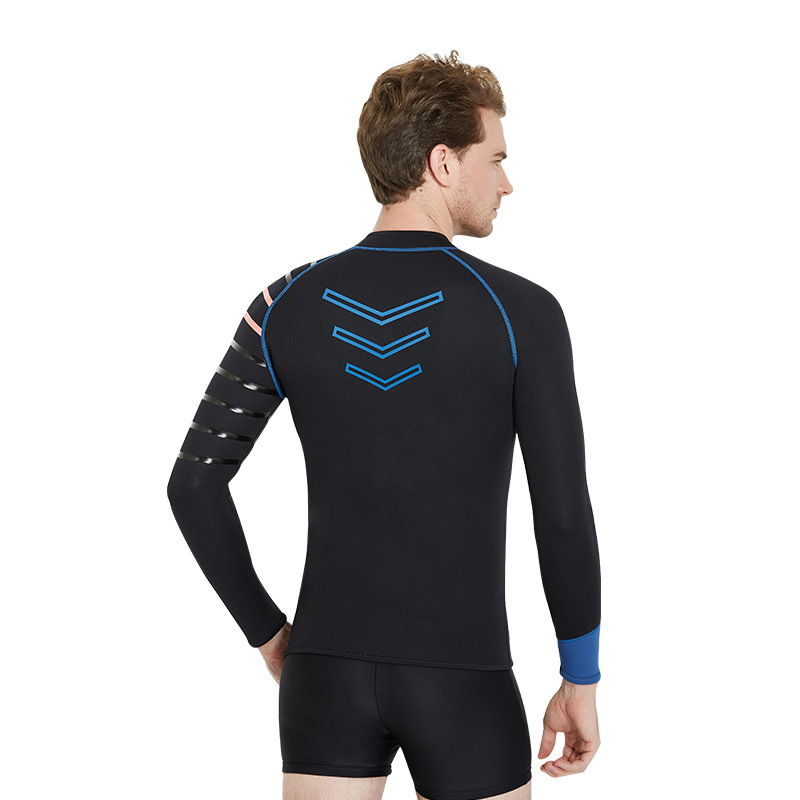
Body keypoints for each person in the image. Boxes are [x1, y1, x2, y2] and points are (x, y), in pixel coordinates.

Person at [167, 50, 601, 800]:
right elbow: (561, 516)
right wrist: (580, 678)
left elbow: (194, 486)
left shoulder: (283, 305)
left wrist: (271, 634)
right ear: (443, 162)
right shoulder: (522, 313)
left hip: (322, 679)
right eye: (496, 159)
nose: (506, 183)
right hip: (463, 681)